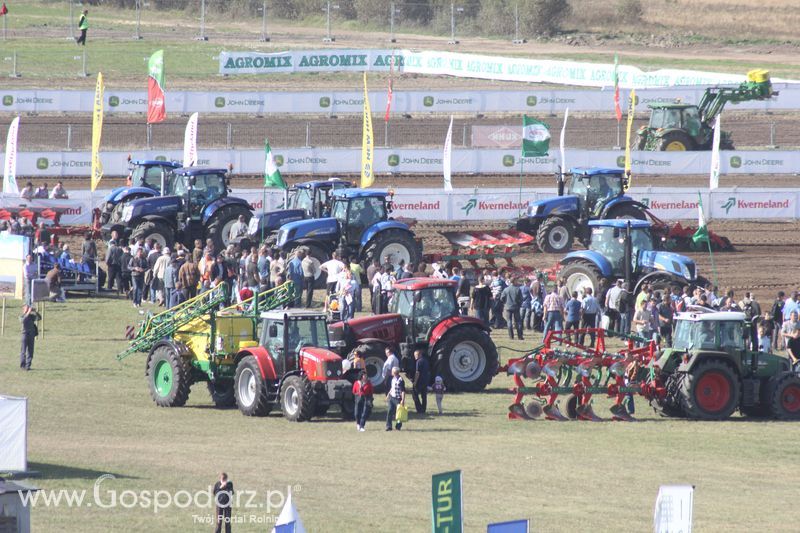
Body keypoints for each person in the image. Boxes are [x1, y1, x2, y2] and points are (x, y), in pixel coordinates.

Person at [19, 305, 41, 371]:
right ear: (23, 309)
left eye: (28, 308)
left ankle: (28, 366)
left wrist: (35, 312)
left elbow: (39, 318)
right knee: (23, 351)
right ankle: (23, 366)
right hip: (24, 334)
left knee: (30, 351)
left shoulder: (31, 316)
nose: (28, 309)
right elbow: (23, 321)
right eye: (26, 308)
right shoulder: (21, 316)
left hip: (31, 335)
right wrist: (28, 312)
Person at [385, 367, 406, 431]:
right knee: (389, 411)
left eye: (392, 371)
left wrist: (402, 400)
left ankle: (398, 426)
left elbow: (403, 391)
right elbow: (392, 387)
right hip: (392, 398)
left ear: (394, 372)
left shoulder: (400, 380)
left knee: (399, 413)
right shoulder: (393, 379)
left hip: (398, 399)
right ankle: (388, 426)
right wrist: (388, 394)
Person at [411, 349, 430, 414]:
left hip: (419, 381)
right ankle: (423, 409)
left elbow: (417, 373)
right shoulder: (426, 361)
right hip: (425, 380)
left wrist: (415, 382)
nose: (415, 356)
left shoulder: (418, 362)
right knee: (424, 396)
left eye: (416, 355)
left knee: (414, 394)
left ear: (420, 354)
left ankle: (419, 409)